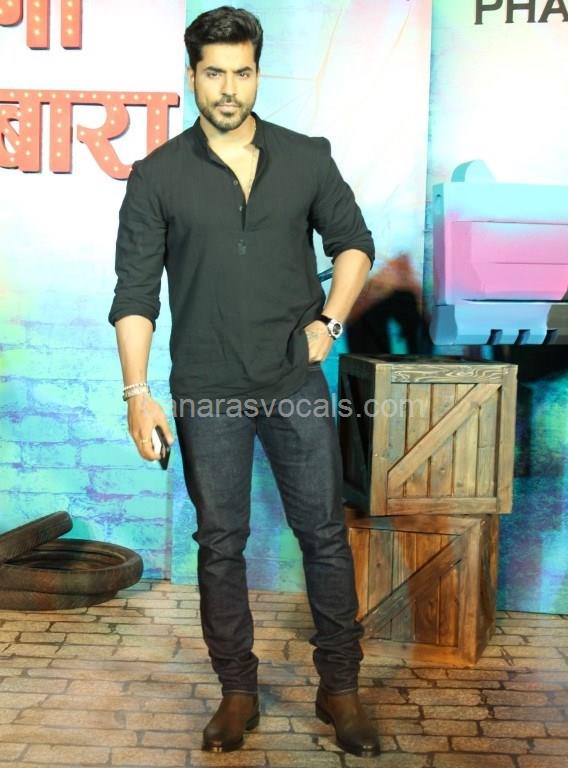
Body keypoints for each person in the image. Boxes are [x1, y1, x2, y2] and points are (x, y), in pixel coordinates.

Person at [108, 5, 380, 758]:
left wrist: (329, 321)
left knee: (324, 535)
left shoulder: (306, 157)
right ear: (193, 75)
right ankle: (237, 692)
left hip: (293, 380)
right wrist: (137, 394)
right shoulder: (157, 175)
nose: (229, 88)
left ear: (258, 72)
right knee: (221, 543)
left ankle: (340, 688)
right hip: (207, 385)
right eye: (214, 73)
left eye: (243, 71)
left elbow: (354, 244)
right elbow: (135, 296)